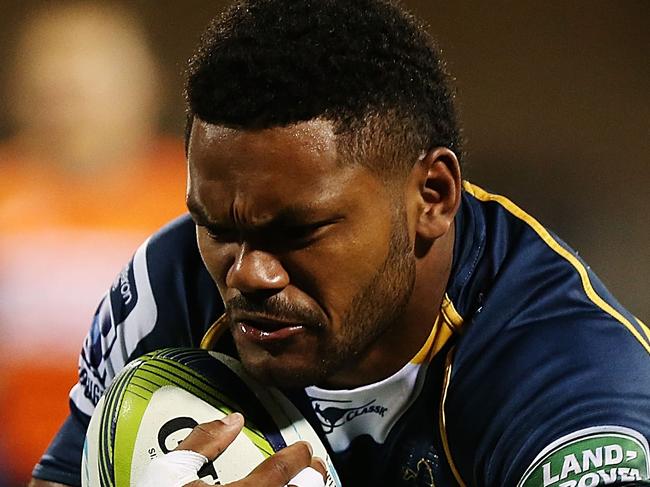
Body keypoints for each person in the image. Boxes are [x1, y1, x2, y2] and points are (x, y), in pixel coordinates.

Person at [29, 0, 650, 486]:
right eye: (218, 228)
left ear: (431, 197)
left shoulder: (569, 374)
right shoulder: (170, 291)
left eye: (298, 232)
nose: (250, 275)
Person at [0, 3, 186, 483]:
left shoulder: (199, 196)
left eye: (94, 72)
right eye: (55, 74)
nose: (73, 94)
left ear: (149, 82)